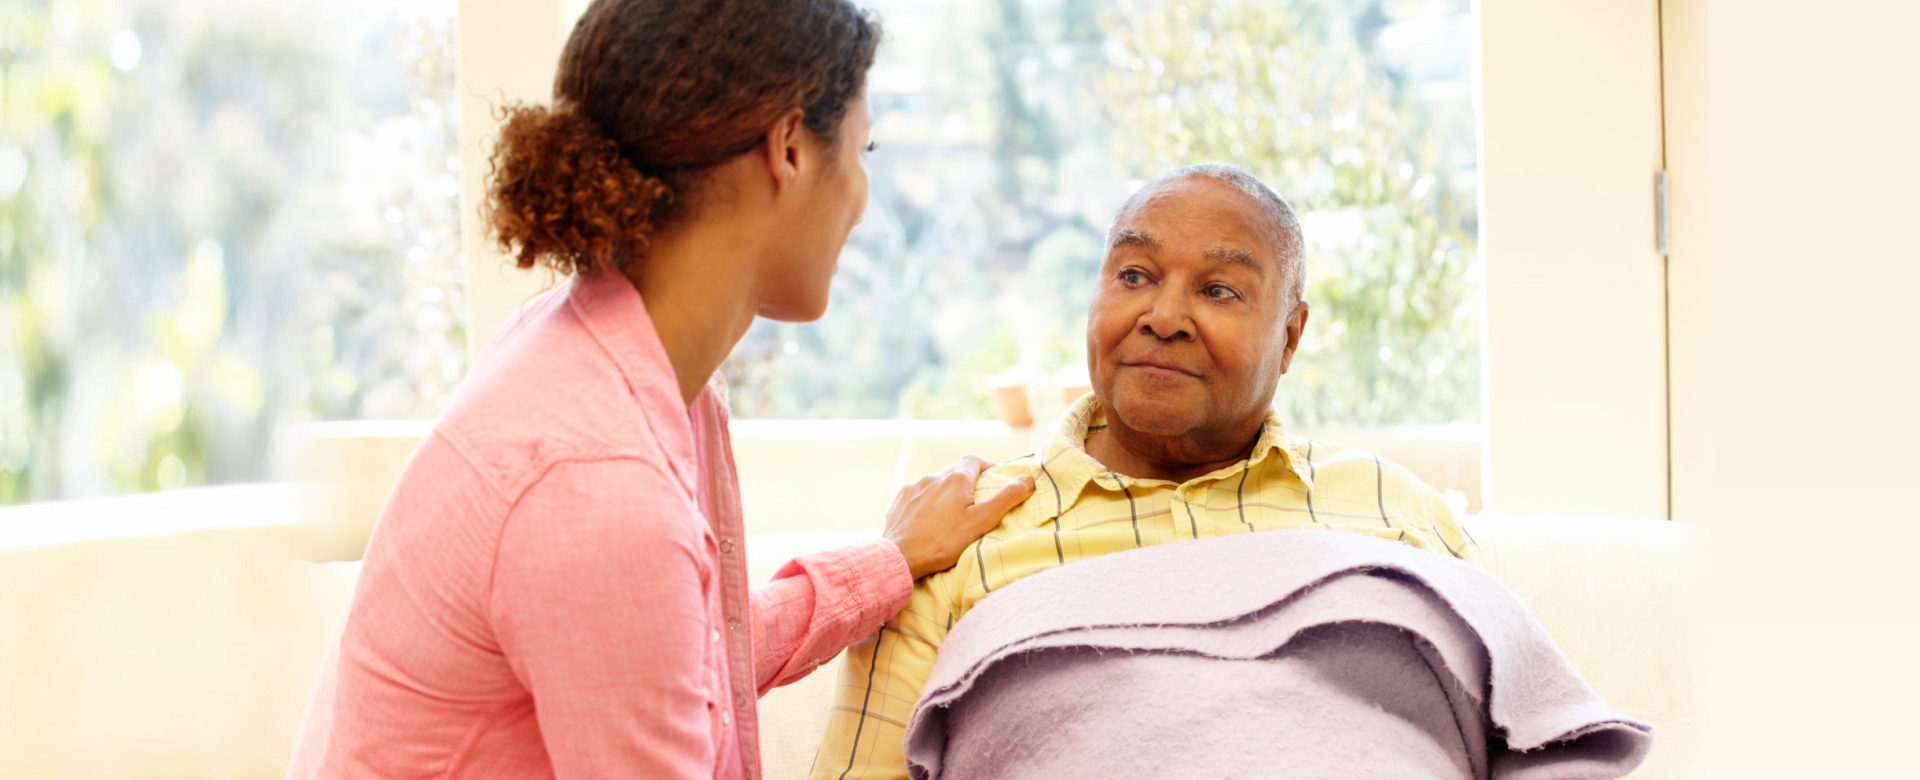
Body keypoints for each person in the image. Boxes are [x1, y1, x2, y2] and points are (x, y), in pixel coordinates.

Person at [287, 1, 1034, 778]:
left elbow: (685, 665)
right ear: (788, 148)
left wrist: (890, 562)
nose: (862, 195)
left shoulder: (609, 359)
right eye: (862, 148)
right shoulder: (598, 481)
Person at [809, 163, 1481, 780]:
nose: (1163, 319)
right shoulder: (955, 535)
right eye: (1134, 276)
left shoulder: (1400, 514)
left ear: (1290, 338)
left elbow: (1517, 738)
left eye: (1218, 290)